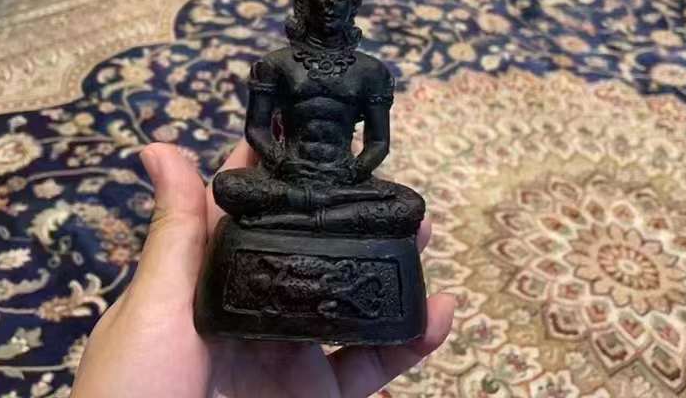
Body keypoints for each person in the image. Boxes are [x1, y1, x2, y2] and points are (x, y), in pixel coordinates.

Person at [71, 141, 456, 397]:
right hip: (286, 180)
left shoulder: (369, 73)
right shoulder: (277, 68)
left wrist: (349, 174)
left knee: (408, 207)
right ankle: (311, 216)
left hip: (345, 184)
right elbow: (260, 133)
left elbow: (377, 144)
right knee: (230, 188)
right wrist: (284, 165)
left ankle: (302, 217)